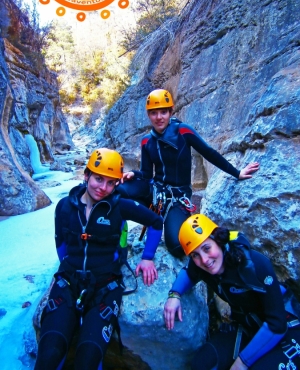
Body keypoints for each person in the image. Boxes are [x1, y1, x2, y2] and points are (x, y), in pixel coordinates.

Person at [34, 148, 163, 370]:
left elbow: (156, 222)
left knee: (88, 360)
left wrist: (148, 257)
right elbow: (61, 244)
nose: (103, 188)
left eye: (111, 183)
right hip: (68, 283)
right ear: (86, 176)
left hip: (105, 286)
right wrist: (69, 267)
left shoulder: (120, 206)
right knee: (48, 355)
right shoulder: (64, 207)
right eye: (98, 179)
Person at [118, 89, 259, 258]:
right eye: (154, 113)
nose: (159, 117)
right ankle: (122, 232)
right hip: (155, 192)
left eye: (163, 112)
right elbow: (147, 175)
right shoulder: (147, 140)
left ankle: (173, 222)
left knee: (178, 247)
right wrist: (134, 174)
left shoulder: (183, 132)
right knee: (117, 190)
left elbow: (208, 153)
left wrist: (237, 173)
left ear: (171, 112)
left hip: (178, 197)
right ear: (149, 115)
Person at [164, 214, 300, 369]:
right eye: (195, 255)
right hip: (248, 327)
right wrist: (174, 295)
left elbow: (277, 325)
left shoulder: (255, 265)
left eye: (207, 248)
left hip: (285, 327)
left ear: (218, 240)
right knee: (201, 364)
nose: (205, 260)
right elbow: (188, 273)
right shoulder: (201, 264)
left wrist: (242, 363)